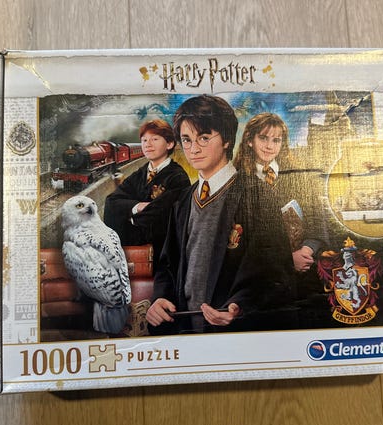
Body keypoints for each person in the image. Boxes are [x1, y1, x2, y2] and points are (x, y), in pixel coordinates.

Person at [146, 95, 294, 335]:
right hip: (185, 330)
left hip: (234, 334)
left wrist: (239, 306)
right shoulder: (183, 200)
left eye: (204, 138)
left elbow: (276, 273)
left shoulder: (257, 195)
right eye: (187, 140)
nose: (194, 149)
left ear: (226, 139)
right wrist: (160, 298)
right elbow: (168, 265)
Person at [233, 113, 325, 274]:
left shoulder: (299, 178)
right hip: (261, 273)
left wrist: (306, 251)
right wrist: (287, 260)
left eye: (276, 140)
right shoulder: (237, 183)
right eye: (263, 138)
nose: (269, 146)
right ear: (249, 140)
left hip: (305, 268)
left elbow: (318, 224)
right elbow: (242, 243)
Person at [103, 119, 190, 265]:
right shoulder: (141, 173)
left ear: (169, 144)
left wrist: (127, 216)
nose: (147, 144)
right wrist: (137, 206)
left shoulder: (178, 178)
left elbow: (162, 215)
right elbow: (111, 201)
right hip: (133, 253)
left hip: (164, 256)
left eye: (154, 139)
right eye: (144, 140)